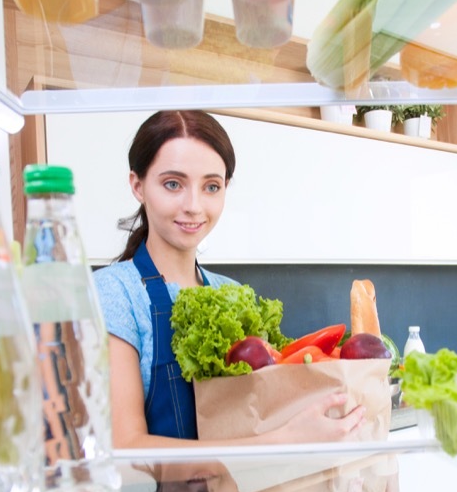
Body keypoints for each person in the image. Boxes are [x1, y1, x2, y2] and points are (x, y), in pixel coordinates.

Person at [93, 110, 367, 448]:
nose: (194, 205)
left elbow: (269, 416)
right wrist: (280, 442)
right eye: (173, 184)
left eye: (211, 186)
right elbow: (127, 448)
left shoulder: (233, 294)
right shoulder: (114, 293)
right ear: (138, 185)